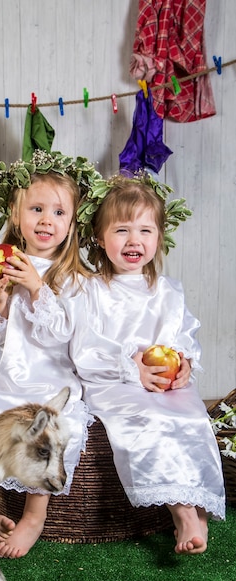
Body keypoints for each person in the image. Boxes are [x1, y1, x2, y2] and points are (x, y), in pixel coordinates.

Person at [70, 172, 225, 555]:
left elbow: (182, 334)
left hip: (164, 380)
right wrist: (130, 368)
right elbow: (85, 346)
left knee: (190, 418)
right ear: (99, 237)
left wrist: (185, 361)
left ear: (159, 238)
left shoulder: (167, 291)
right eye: (121, 230)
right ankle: (183, 512)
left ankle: (198, 502)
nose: (134, 240)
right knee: (146, 418)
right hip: (115, 382)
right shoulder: (91, 290)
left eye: (145, 230)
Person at [0, 150, 101, 558]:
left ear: (72, 224)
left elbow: (62, 334)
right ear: (16, 215)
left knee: (52, 433)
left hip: (53, 379)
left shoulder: (76, 278)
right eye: (37, 209)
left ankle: (32, 517)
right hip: (8, 375)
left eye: (59, 212)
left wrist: (38, 288)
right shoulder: (4, 266)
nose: (46, 220)